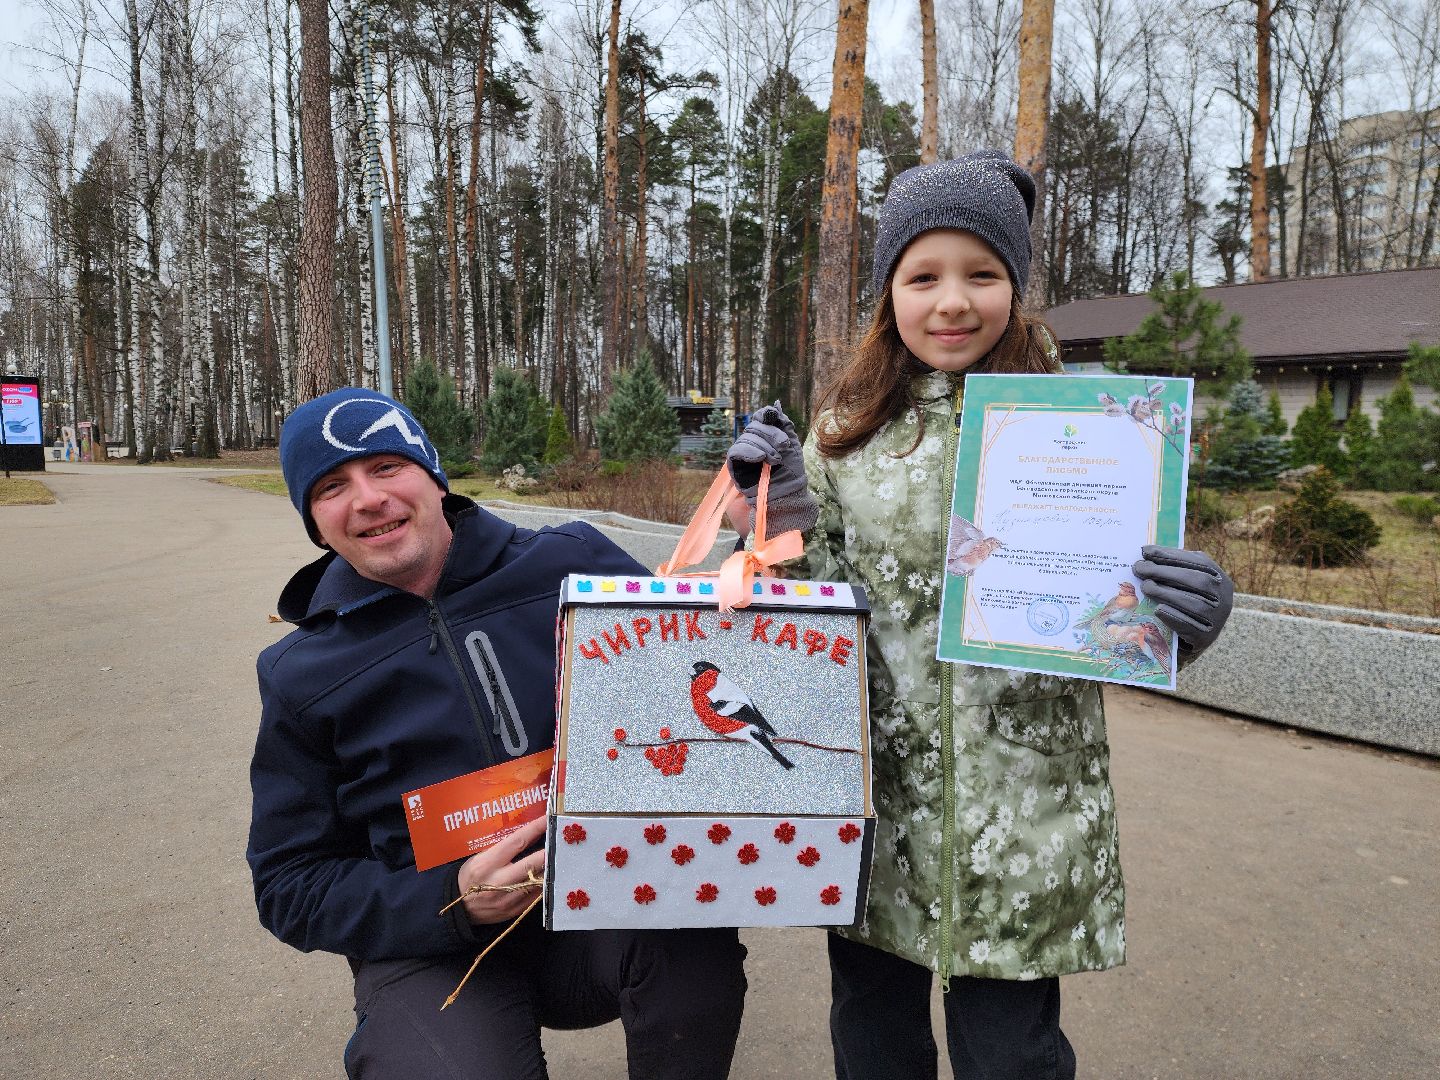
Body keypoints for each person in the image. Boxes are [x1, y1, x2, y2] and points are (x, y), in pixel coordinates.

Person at [727, 151, 1234, 1080]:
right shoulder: (848, 431)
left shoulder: (1095, 426)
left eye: (982, 274)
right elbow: (801, 612)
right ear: (890, 292)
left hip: (1027, 814)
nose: (952, 302)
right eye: (923, 276)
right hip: (874, 805)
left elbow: (1117, 603)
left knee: (1014, 1057)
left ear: (1016, 285)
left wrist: (1180, 620)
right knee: (875, 1041)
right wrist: (776, 517)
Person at [247, 388, 747, 1080]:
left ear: (432, 475)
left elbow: (717, 671)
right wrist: (452, 897)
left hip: (602, 904)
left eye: (386, 467)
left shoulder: (574, 563)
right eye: (332, 487)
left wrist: (760, 539)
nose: (366, 498)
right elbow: (288, 884)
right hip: (436, 950)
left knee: (693, 937)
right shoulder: (301, 673)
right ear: (314, 520)